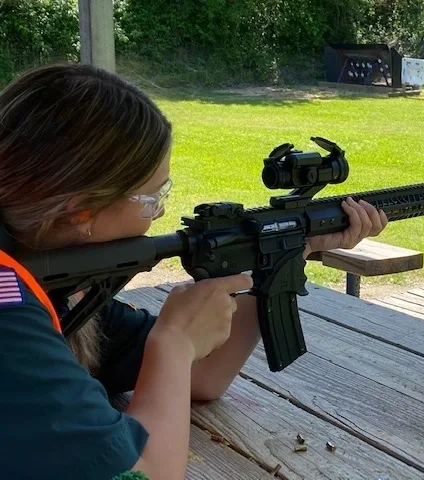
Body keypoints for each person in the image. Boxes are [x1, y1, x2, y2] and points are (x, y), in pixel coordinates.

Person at [0, 63, 388, 479]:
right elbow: (147, 474)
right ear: (82, 213)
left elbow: (203, 377)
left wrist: (287, 254)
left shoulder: (51, 288)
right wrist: (174, 342)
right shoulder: (12, 316)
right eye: (152, 198)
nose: (162, 210)